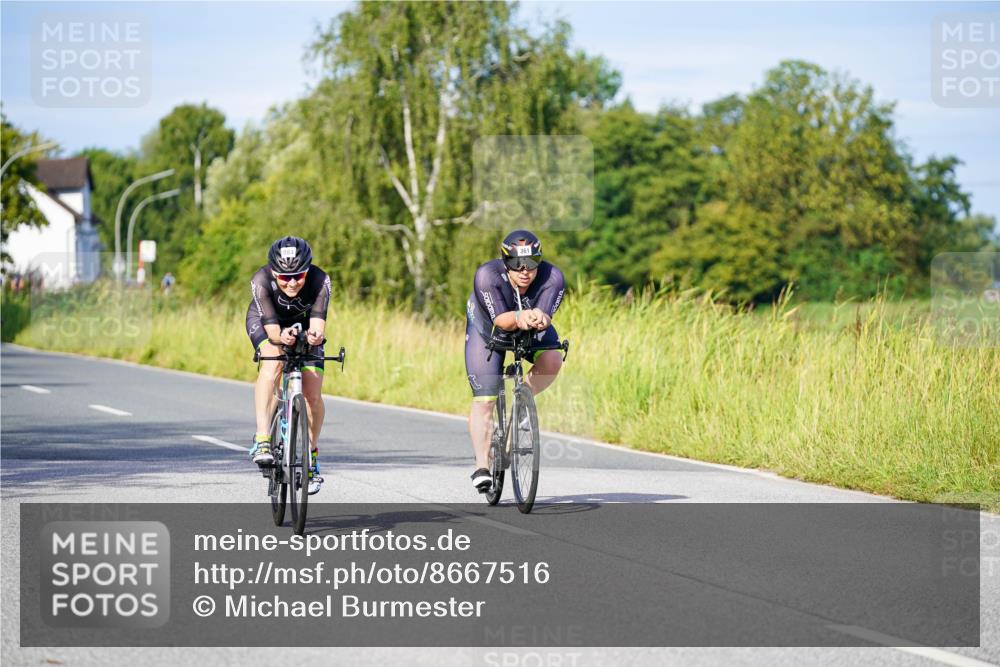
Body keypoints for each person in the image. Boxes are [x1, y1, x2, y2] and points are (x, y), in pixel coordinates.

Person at [464, 229, 566, 491]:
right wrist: (520, 317)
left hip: (528, 324)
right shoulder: (487, 276)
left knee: (553, 358)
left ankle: (523, 403)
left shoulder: (553, 277)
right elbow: (501, 320)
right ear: (504, 262)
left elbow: (545, 314)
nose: (524, 270)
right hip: (487, 330)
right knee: (485, 400)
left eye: (532, 263)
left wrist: (541, 318)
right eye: (516, 264)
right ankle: (481, 465)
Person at [245, 236, 332, 495]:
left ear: (308, 271)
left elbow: (317, 325)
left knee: (313, 395)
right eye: (284, 277)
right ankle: (262, 438)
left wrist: (314, 336)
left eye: (298, 275)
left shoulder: (320, 281)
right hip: (266, 323)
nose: (292, 282)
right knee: (273, 364)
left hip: (304, 327)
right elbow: (273, 331)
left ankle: (311, 455)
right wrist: (281, 338)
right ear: (274, 272)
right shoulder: (260, 281)